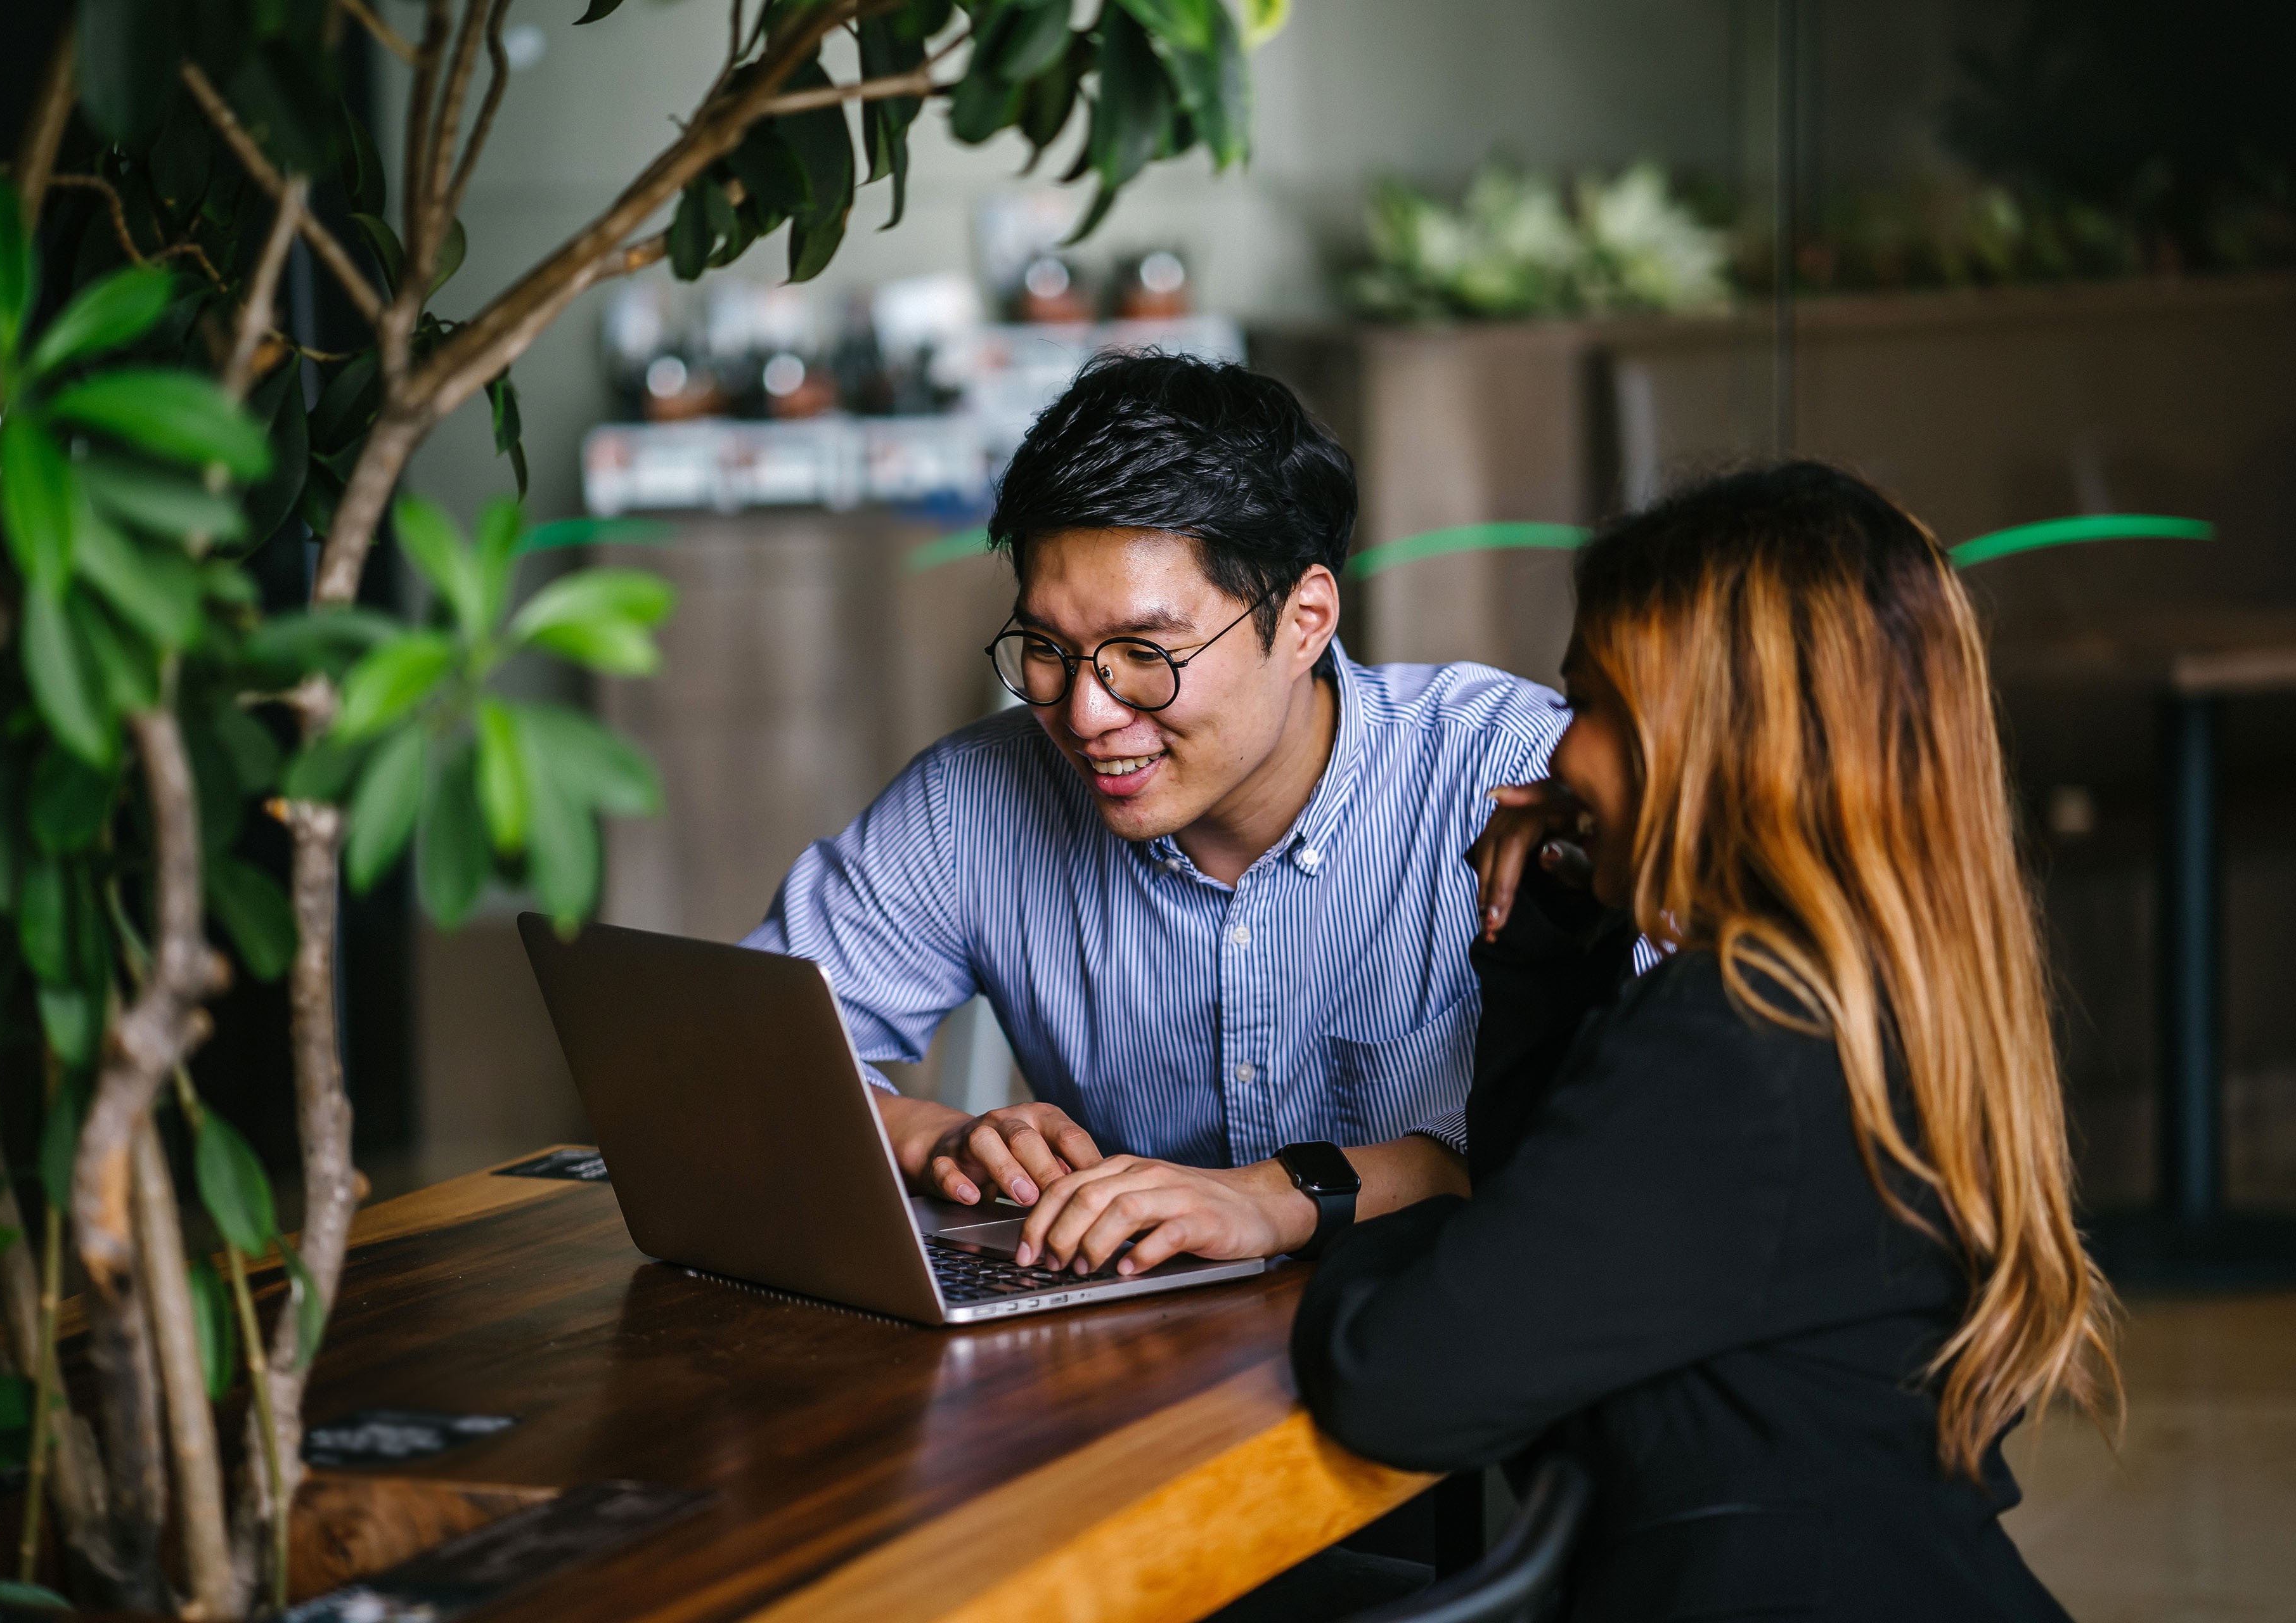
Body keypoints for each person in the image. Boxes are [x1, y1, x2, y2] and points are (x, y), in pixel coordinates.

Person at [1289, 462, 2123, 1620]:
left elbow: (1402, 1385)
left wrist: (1372, 1235)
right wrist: (1559, 928)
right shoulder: (1867, 1002)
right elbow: (1570, 1230)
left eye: (1588, 706)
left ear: (1713, 743)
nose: (1558, 758)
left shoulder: (1738, 1039)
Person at [742, 352, 1577, 1265]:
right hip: (1148, 1369)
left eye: (1145, 652)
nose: (1084, 715)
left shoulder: (1517, 775)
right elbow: (734, 1057)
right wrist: (927, 1135)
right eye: (1047, 648)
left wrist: (1280, 1196)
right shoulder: (974, 801)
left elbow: (1663, 1123)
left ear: (1305, 619)